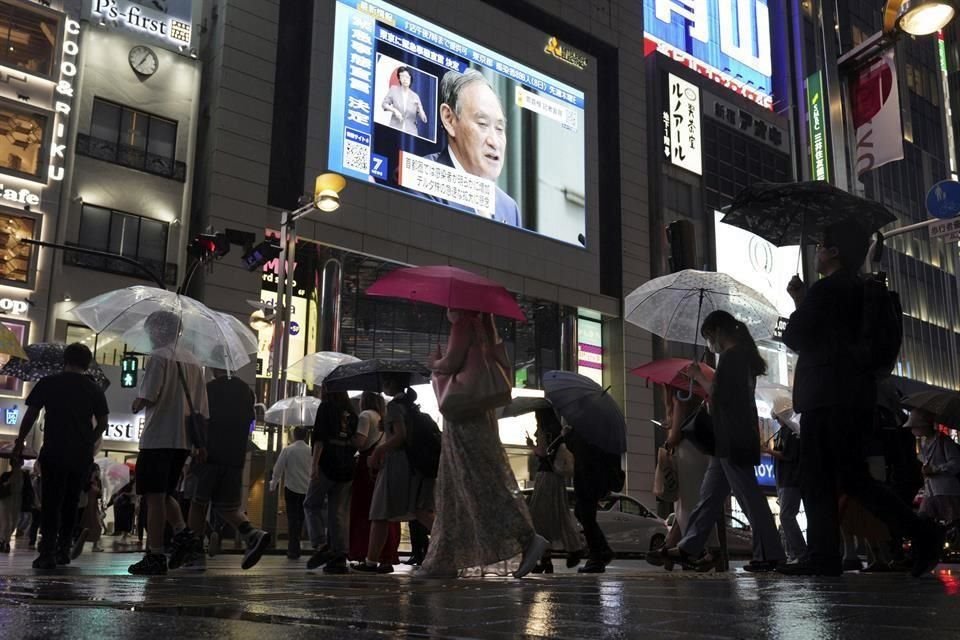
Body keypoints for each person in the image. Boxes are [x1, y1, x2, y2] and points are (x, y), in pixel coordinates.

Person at [780, 219, 943, 577]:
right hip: (856, 397)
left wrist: (799, 301)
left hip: (825, 396)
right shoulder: (862, 290)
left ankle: (823, 556)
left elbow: (795, 336)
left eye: (821, 246)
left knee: (817, 477)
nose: (817, 252)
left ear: (834, 252)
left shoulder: (826, 291)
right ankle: (922, 533)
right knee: (855, 479)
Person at [419, 310, 546, 579]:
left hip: (462, 413)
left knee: (470, 480)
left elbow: (452, 362)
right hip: (476, 410)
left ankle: (525, 536)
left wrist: (434, 363)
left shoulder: (464, 322)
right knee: (469, 481)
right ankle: (444, 556)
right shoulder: (485, 324)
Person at [661, 311, 786, 572]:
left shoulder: (733, 357)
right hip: (730, 436)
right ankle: (689, 546)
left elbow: (720, 395)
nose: (709, 344)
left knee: (748, 496)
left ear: (718, 331)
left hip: (732, 436)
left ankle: (771, 553)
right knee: (709, 496)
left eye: (708, 337)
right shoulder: (741, 357)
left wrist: (698, 376)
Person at [12, 343, 108, 570]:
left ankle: (46, 552)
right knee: (71, 501)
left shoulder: (48, 383)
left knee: (51, 501)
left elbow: (31, 415)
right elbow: (102, 423)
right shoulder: (94, 389)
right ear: (86, 363)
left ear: (65, 360)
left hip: (54, 449)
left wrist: (19, 442)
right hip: (80, 454)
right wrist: (88, 441)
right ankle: (64, 549)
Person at [128, 310, 209, 576]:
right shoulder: (194, 361)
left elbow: (149, 395)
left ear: (160, 331)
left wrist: (137, 402)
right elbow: (202, 406)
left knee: (153, 497)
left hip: (157, 437)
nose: (149, 335)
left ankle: (155, 554)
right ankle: (184, 535)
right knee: (165, 494)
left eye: (151, 329)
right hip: (183, 439)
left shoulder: (159, 356)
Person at [175, 366, 269, 572]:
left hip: (209, 454)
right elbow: (250, 420)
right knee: (227, 506)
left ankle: (195, 549)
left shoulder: (208, 389)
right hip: (235, 457)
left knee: (198, 503)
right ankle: (253, 534)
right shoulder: (246, 391)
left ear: (214, 366)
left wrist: (196, 447)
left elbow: (199, 419)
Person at [425, 69, 521, 227]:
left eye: (499, 128)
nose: (494, 142)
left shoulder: (509, 209)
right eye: (482, 124)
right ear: (449, 119)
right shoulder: (422, 179)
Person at [359, 378, 434, 574]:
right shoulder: (409, 406)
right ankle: (448, 546)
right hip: (414, 465)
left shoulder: (394, 406)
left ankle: (370, 561)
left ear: (391, 384)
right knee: (420, 510)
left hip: (397, 465)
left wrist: (377, 452)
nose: (383, 385)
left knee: (380, 511)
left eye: (386, 381)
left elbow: (400, 436)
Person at [304, 390, 360, 574]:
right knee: (338, 512)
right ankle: (339, 555)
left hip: (328, 463)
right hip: (347, 465)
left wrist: (314, 465)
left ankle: (321, 544)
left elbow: (320, 439)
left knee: (311, 504)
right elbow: (355, 441)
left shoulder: (326, 407)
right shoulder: (352, 412)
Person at [526, 408, 583, 573]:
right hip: (556, 479)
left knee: (540, 518)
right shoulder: (557, 431)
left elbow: (543, 452)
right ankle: (549, 558)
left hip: (546, 478)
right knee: (556, 516)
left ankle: (550, 558)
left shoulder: (546, 431)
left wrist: (531, 446)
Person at [347, 392, 401, 566]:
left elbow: (361, 442)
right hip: (384, 463)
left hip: (367, 463)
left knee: (364, 510)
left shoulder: (365, 416)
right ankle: (388, 554)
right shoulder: (383, 417)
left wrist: (348, 437)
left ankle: (364, 552)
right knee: (384, 510)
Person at [762, 407, 806, 564]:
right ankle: (795, 553)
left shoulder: (791, 432)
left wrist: (768, 450)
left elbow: (788, 455)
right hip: (783, 481)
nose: (776, 419)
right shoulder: (782, 432)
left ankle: (800, 553)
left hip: (791, 480)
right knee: (786, 516)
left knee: (786, 516)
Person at [907, 408, 960, 526]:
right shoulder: (923, 443)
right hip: (930, 492)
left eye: (915, 426)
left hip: (946, 491)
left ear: (924, 425)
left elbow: (955, 464)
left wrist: (935, 469)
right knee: (924, 521)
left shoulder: (944, 441)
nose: (913, 430)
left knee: (952, 525)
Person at [270, 426, 313, 559]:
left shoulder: (288, 450)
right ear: (306, 435)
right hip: (307, 489)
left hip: (291, 488)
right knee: (301, 518)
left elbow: (278, 468)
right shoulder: (311, 451)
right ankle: (297, 543)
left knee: (292, 518)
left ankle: (293, 548)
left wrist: (273, 485)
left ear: (294, 435)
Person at [381, 66, 427, 136]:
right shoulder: (394, 90)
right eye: (402, 76)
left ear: (410, 78)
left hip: (411, 132)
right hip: (395, 128)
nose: (405, 79)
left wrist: (420, 108)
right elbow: (384, 104)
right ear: (399, 78)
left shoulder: (415, 96)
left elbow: (424, 119)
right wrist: (395, 111)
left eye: (407, 77)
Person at [75, 464, 104, 556]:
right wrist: (91, 479)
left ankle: (95, 545)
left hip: (94, 505)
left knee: (97, 526)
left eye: (98, 470)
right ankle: (77, 542)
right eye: (96, 470)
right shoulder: (86, 480)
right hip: (85, 505)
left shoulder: (98, 481)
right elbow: (84, 490)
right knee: (83, 525)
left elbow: (99, 494)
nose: (98, 472)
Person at [0, 457, 24, 553]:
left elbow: (27, 490)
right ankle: (3, 540)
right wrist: (7, 483)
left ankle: (6, 540)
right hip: (6, 499)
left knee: (14, 520)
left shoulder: (23, 475)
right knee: (6, 521)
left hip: (17, 500)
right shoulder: (6, 475)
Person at [108, 478, 136, 544]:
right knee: (123, 520)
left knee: (127, 520)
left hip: (129, 504)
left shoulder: (133, 484)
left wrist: (124, 493)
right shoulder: (121, 485)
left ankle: (125, 536)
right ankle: (123, 536)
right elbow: (116, 494)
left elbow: (134, 494)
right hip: (122, 505)